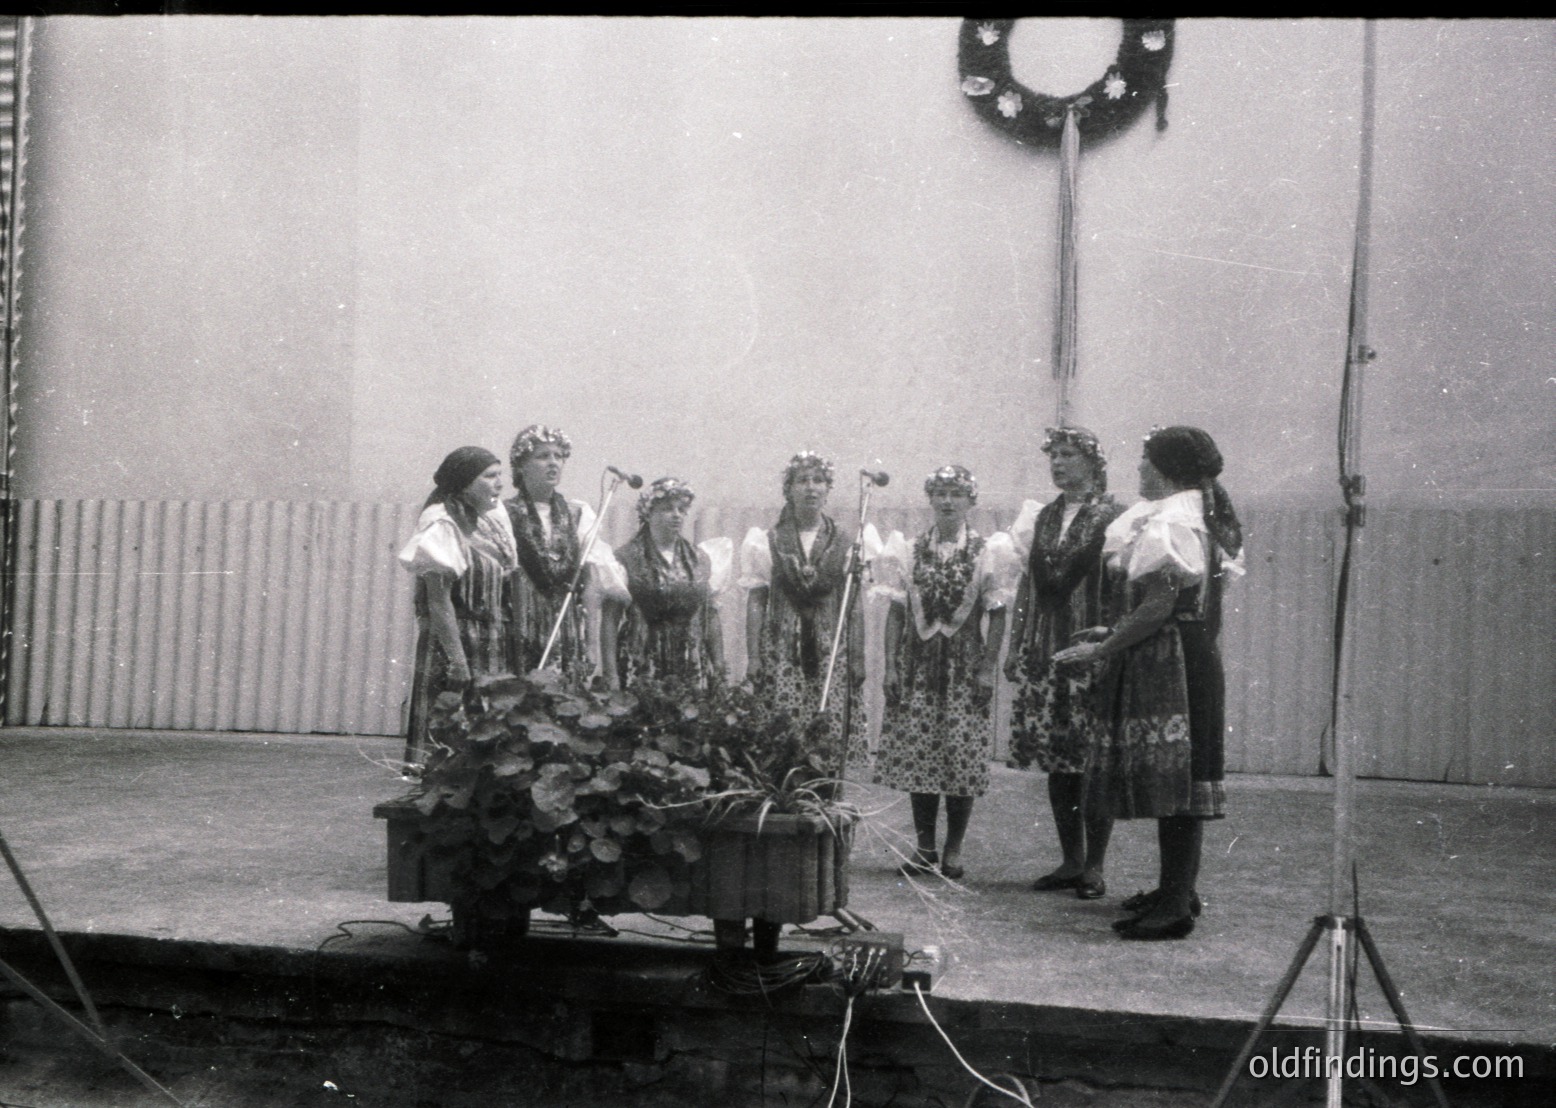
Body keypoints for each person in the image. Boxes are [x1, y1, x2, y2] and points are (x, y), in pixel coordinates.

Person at [1054, 426, 1244, 940]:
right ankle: (1174, 889)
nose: (1138, 469)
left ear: (1162, 469)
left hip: (1173, 663)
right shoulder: (1191, 514)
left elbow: (1160, 606)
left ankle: (1177, 902)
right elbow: (1176, 604)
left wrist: (1103, 647)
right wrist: (1115, 630)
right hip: (1183, 654)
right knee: (1180, 780)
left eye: (1144, 461)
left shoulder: (1173, 519)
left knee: (1179, 783)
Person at [873, 466, 1015, 880]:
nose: (948, 501)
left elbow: (998, 614)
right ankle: (924, 847)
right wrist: (891, 666)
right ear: (931, 499)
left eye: (957, 493)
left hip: (964, 665)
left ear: (971, 501)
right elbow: (897, 613)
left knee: (960, 754)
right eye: (940, 493)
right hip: (918, 664)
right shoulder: (910, 548)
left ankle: (953, 848)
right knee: (921, 754)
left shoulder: (988, 550)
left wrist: (987, 668)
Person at [1004, 427, 1125, 900]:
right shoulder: (1042, 517)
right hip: (1046, 648)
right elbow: (1026, 587)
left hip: (1089, 651)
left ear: (1092, 462)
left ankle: (1095, 865)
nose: (1057, 463)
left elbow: (1120, 587)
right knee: (1059, 763)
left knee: (1091, 763)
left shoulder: (1113, 516)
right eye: (1053, 455)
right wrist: (1016, 644)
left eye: (1068, 454)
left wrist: (1111, 641)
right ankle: (1070, 860)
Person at [739, 452, 877, 782]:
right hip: (783, 649)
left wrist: (857, 656)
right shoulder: (768, 540)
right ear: (788, 489)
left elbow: (853, 603)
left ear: (828, 490)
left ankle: (827, 805)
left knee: (828, 729)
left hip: (832, 650)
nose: (811, 488)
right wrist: (754, 657)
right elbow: (756, 601)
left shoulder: (848, 541)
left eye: (818, 481)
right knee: (782, 728)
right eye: (802, 480)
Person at [398, 446, 518, 764]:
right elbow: (438, 602)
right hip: (455, 643)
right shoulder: (442, 526)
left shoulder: (490, 523)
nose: (499, 483)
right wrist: (457, 662)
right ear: (465, 484)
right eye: (490, 476)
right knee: (449, 733)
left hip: (489, 641)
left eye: (500, 475)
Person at [597, 477, 730, 692]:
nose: (676, 515)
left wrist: (719, 668)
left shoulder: (701, 559)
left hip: (689, 660)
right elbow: (610, 619)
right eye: (667, 509)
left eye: (681, 509)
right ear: (648, 513)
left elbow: (710, 616)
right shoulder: (626, 557)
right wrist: (610, 673)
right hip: (641, 658)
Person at [502, 425, 609, 679]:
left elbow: (591, 583)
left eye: (558, 456)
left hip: (566, 625)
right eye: (542, 456)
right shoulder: (503, 513)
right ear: (521, 465)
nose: (553, 463)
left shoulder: (578, 514)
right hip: (521, 623)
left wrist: (593, 646)